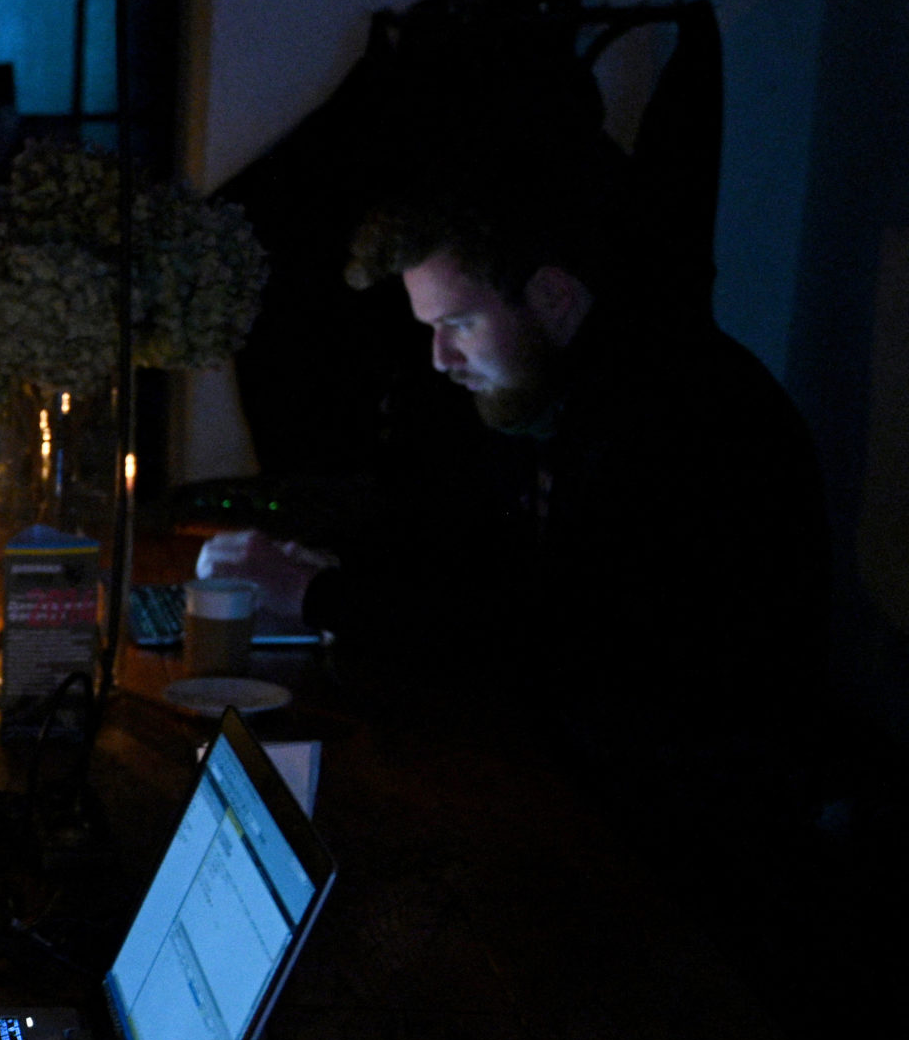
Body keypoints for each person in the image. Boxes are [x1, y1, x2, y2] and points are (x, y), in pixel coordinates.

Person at [201, 161, 825, 785]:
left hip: (687, 792)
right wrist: (326, 572)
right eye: (432, 330)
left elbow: (557, 641)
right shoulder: (549, 392)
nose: (442, 360)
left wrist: (319, 595)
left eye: (459, 324)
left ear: (553, 295)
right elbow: (476, 559)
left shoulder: (681, 418)